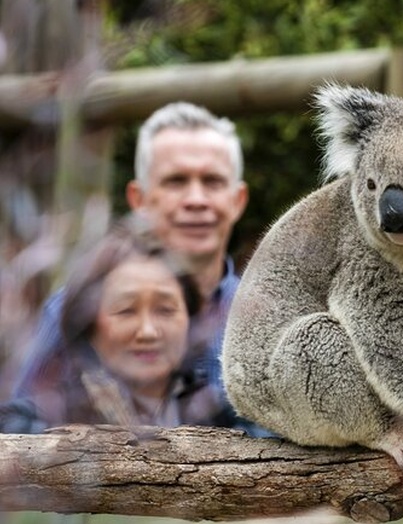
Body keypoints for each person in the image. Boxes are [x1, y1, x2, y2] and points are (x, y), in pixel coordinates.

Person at [12, 102, 252, 428]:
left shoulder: (263, 316)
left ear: (237, 200)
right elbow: (17, 425)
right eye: (176, 181)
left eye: (212, 181)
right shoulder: (74, 309)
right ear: (138, 200)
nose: (196, 199)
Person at [0, 218, 233, 432]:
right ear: (89, 324)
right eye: (126, 311)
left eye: (165, 310)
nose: (148, 331)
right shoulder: (28, 427)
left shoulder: (227, 421)